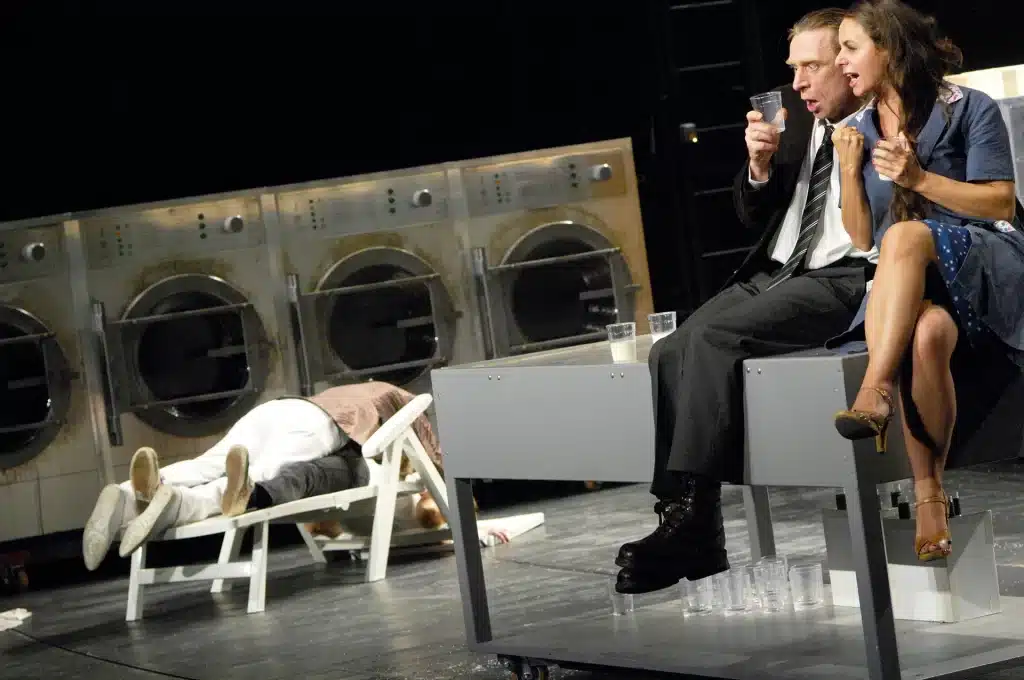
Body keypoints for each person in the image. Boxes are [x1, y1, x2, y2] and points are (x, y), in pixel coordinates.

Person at [614, 8, 877, 595]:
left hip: (841, 278)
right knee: (669, 351)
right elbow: (751, 215)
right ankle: (689, 522)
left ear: (847, 63)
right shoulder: (794, 114)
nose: (799, 82)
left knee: (713, 339)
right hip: (777, 271)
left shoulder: (880, 121)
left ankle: (691, 520)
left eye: (811, 67)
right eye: (793, 67)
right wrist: (757, 167)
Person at [829, 0, 1024, 561]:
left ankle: (875, 390)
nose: (841, 62)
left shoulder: (968, 108)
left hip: (984, 256)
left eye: (850, 48)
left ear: (889, 49)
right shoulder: (856, 130)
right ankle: (929, 496)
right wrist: (849, 169)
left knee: (906, 236)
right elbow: (860, 236)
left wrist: (919, 179)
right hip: (908, 279)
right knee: (928, 333)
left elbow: (1000, 202)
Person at [82, 381, 442, 569]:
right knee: (253, 478)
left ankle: (125, 494)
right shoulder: (407, 403)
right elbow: (434, 458)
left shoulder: (356, 389)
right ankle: (177, 504)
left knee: (208, 463)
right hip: (315, 424)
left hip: (277, 410)